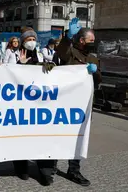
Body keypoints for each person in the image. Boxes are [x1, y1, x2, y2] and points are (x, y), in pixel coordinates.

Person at [52, 17, 101, 187]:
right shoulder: (71, 52)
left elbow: (99, 80)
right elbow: (61, 53)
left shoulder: (93, 58)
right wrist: (67, 37)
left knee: (79, 138)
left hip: (84, 106)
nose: (93, 43)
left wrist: (95, 73)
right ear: (81, 40)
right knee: (59, 135)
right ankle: (50, 165)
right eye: (91, 40)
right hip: (66, 104)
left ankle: (74, 169)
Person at [16, 28, 56, 186]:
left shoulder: (40, 55)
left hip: (39, 104)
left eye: (33, 38)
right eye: (27, 40)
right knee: (21, 137)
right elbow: (7, 76)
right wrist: (20, 65)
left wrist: (50, 67)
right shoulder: (16, 55)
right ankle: (21, 167)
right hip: (21, 105)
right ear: (22, 42)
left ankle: (45, 171)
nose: (31, 42)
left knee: (42, 137)